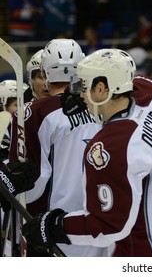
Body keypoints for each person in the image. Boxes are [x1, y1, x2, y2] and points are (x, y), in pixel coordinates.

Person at [21, 48, 152, 256]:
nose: (81, 94)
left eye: (84, 86)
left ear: (101, 88)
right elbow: (141, 87)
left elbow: (107, 225)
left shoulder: (109, 147)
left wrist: (55, 226)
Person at [8, 39, 106, 257]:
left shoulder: (33, 112)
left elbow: (33, 184)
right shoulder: (102, 106)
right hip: (99, 222)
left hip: (53, 228)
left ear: (45, 71)